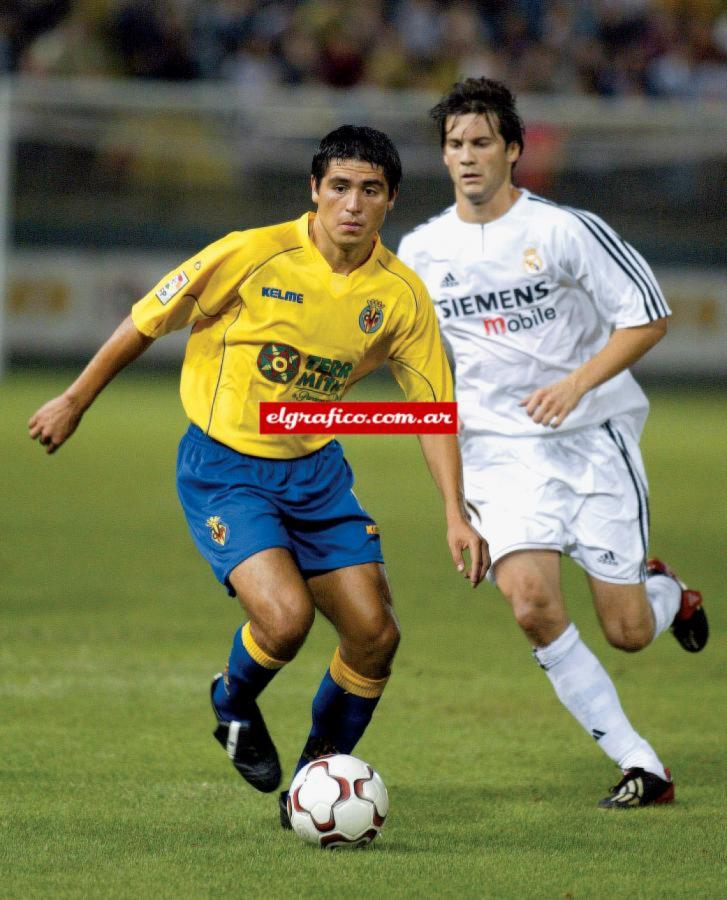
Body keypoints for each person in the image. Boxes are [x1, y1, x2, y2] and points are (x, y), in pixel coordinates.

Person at [28, 125, 488, 826]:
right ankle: (233, 701)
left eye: (369, 190)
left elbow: (431, 411)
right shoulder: (250, 253)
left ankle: (312, 781)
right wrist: (74, 398)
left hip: (317, 475)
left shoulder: (399, 296)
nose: (351, 205)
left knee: (375, 635)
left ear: (390, 200)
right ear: (314, 190)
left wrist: (455, 512)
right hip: (224, 469)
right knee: (285, 619)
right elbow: (146, 320)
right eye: (338, 187)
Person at [398, 79, 708, 809]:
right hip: (496, 457)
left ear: (512, 150)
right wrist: (452, 509)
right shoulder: (420, 251)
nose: (467, 157)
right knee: (531, 604)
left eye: (480, 143)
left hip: (590, 439)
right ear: (442, 157)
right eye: (454, 145)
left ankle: (666, 593)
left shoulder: (566, 230)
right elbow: (418, 384)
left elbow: (648, 317)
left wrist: (575, 383)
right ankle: (642, 766)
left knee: (628, 631)